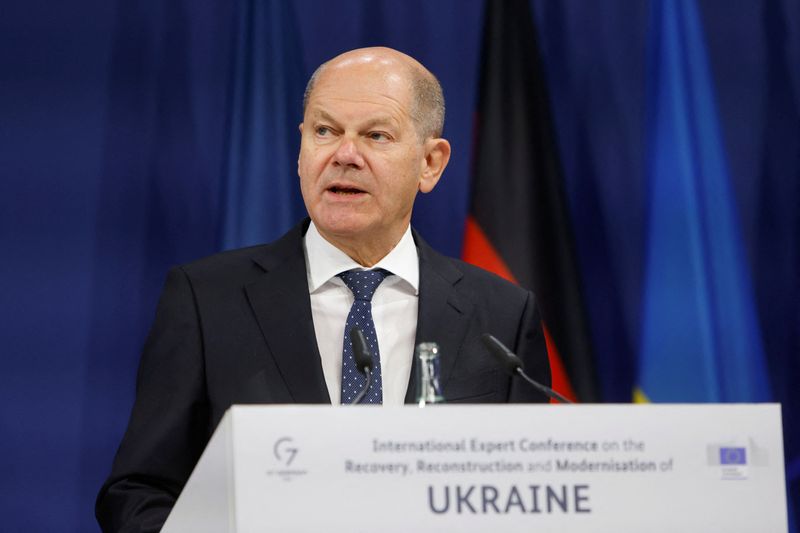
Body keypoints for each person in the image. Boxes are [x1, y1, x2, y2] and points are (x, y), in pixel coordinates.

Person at [96, 47, 550, 533]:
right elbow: (138, 491)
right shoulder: (207, 300)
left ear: (430, 163)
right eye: (325, 131)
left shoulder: (501, 316)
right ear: (301, 149)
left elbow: (530, 499)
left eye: (376, 135)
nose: (344, 155)